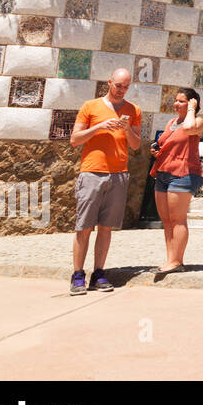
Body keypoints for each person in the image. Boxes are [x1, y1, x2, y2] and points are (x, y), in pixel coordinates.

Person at [68, 68, 141, 294]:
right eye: (118, 85)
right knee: (84, 227)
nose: (121, 90)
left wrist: (127, 128)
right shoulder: (90, 107)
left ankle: (99, 272)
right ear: (109, 82)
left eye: (126, 86)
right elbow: (74, 140)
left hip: (118, 174)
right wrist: (99, 127)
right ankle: (78, 274)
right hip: (92, 172)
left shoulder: (133, 110)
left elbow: (136, 145)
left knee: (106, 228)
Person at [150, 87, 203, 276]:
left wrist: (192, 109)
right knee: (166, 221)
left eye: (182, 101)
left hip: (183, 173)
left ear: (192, 103)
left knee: (178, 219)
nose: (176, 103)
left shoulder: (197, 120)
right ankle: (170, 259)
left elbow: (189, 129)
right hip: (163, 172)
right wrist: (158, 151)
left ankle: (177, 260)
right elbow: (167, 143)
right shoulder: (171, 122)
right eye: (176, 100)